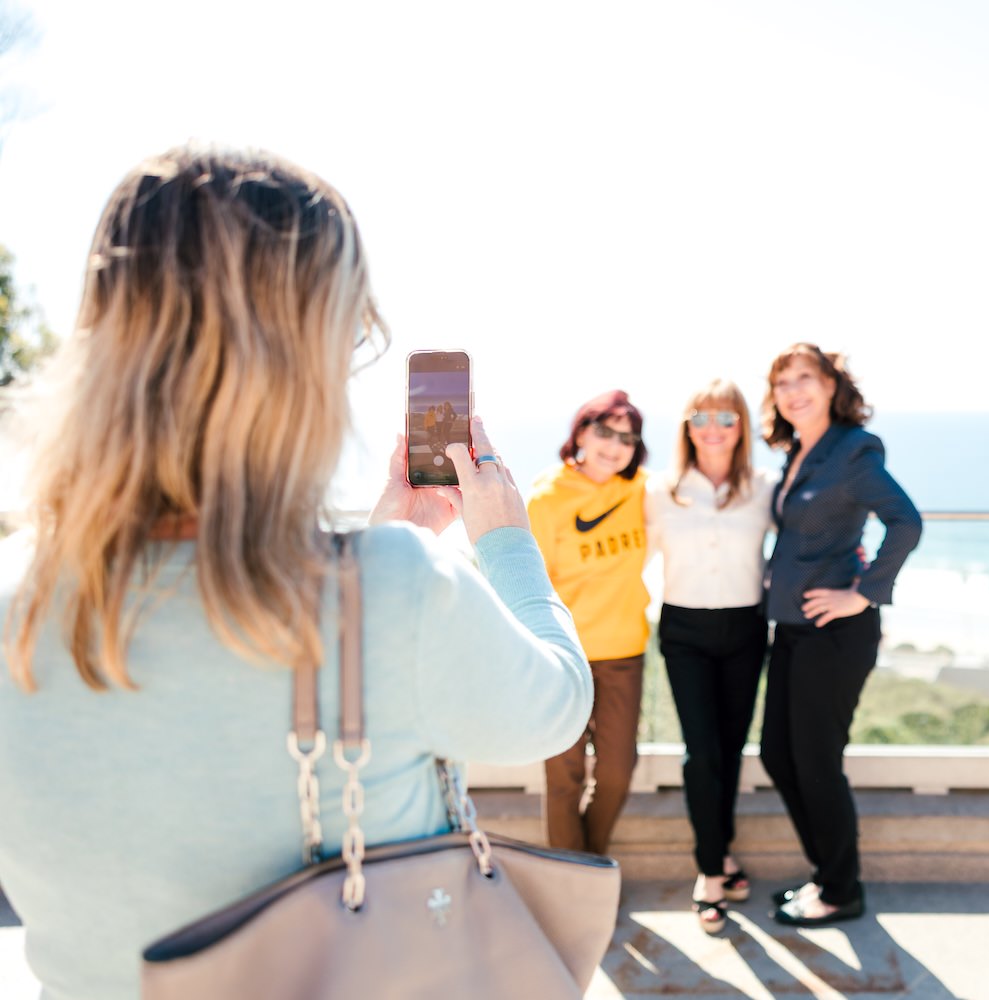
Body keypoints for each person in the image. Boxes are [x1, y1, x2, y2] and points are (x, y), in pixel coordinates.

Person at [0, 146, 594, 1000]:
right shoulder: (401, 588)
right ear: (295, 365)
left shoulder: (15, 590)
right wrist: (500, 539)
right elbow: (557, 707)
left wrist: (382, 549)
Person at [758, 342, 922, 927]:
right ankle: (827, 873)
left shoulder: (854, 450)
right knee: (779, 755)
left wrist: (863, 591)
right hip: (794, 629)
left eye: (805, 378)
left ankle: (840, 889)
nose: (793, 390)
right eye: (782, 382)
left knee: (817, 762)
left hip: (836, 631)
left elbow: (906, 520)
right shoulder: (800, 453)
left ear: (831, 386)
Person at [645, 379, 775, 933]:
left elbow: (807, 539)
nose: (714, 430)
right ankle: (710, 873)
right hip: (685, 630)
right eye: (702, 418)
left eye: (727, 418)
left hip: (746, 628)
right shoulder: (660, 491)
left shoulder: (766, 486)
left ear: (742, 426)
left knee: (731, 748)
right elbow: (626, 555)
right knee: (702, 752)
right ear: (687, 427)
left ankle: (721, 854)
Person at [528, 390, 651, 856]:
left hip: (624, 653)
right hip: (562, 657)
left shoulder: (640, 488)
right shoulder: (546, 496)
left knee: (618, 772)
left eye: (627, 437)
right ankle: (569, 876)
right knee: (564, 778)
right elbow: (529, 582)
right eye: (605, 431)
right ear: (580, 432)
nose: (615, 445)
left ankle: (590, 864)